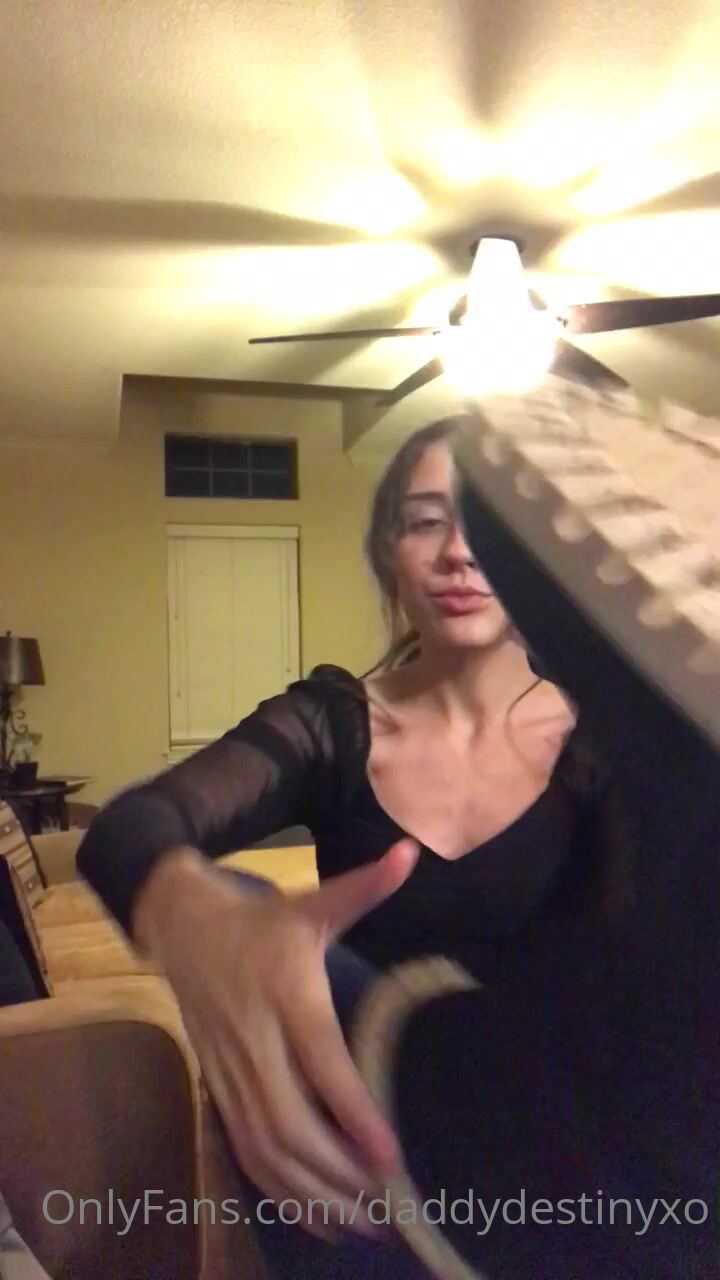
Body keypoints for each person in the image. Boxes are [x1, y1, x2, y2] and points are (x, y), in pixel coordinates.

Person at [76, 416, 637, 1277]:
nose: (460, 552)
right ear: (388, 557)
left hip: (550, 1147)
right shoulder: (331, 722)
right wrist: (201, 923)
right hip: (356, 1162)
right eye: (426, 521)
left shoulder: (606, 735)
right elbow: (129, 827)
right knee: (255, 912)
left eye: (490, 525)